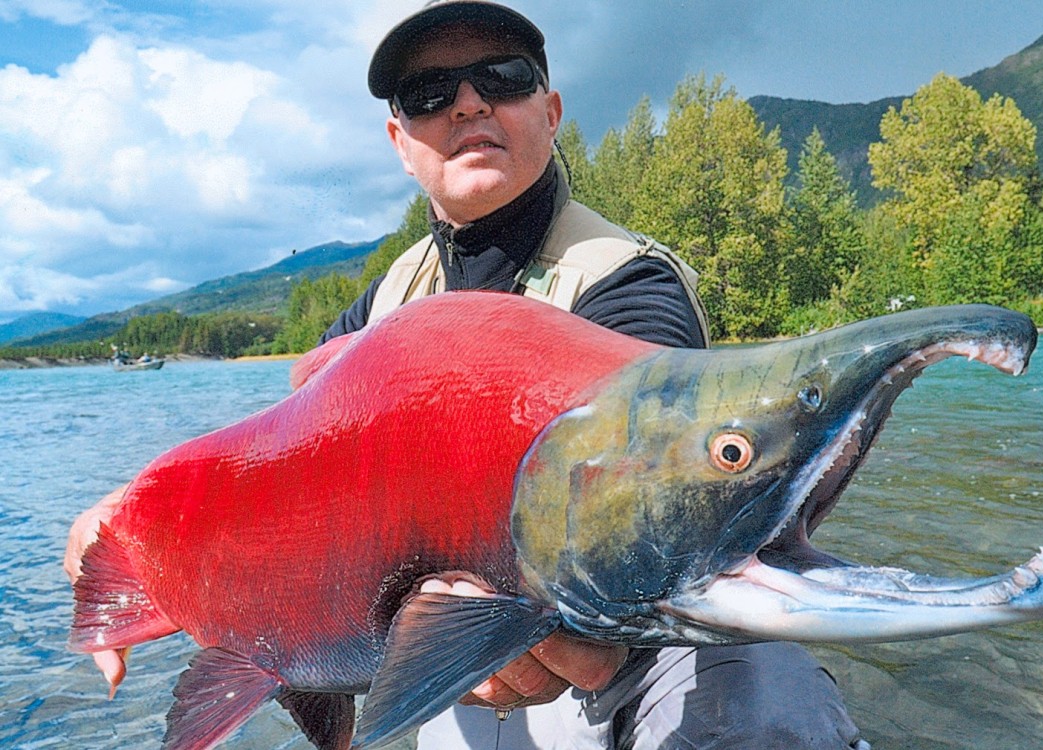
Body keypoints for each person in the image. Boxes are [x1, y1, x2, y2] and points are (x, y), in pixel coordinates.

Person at [65, 2, 869, 747]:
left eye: (503, 77)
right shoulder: (383, 298)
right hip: (437, 657)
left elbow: (660, 511)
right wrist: (131, 522)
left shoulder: (629, 284)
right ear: (399, 144)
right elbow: (275, 466)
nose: (468, 103)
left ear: (550, 114)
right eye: (427, 93)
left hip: (595, 643)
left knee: (769, 693)